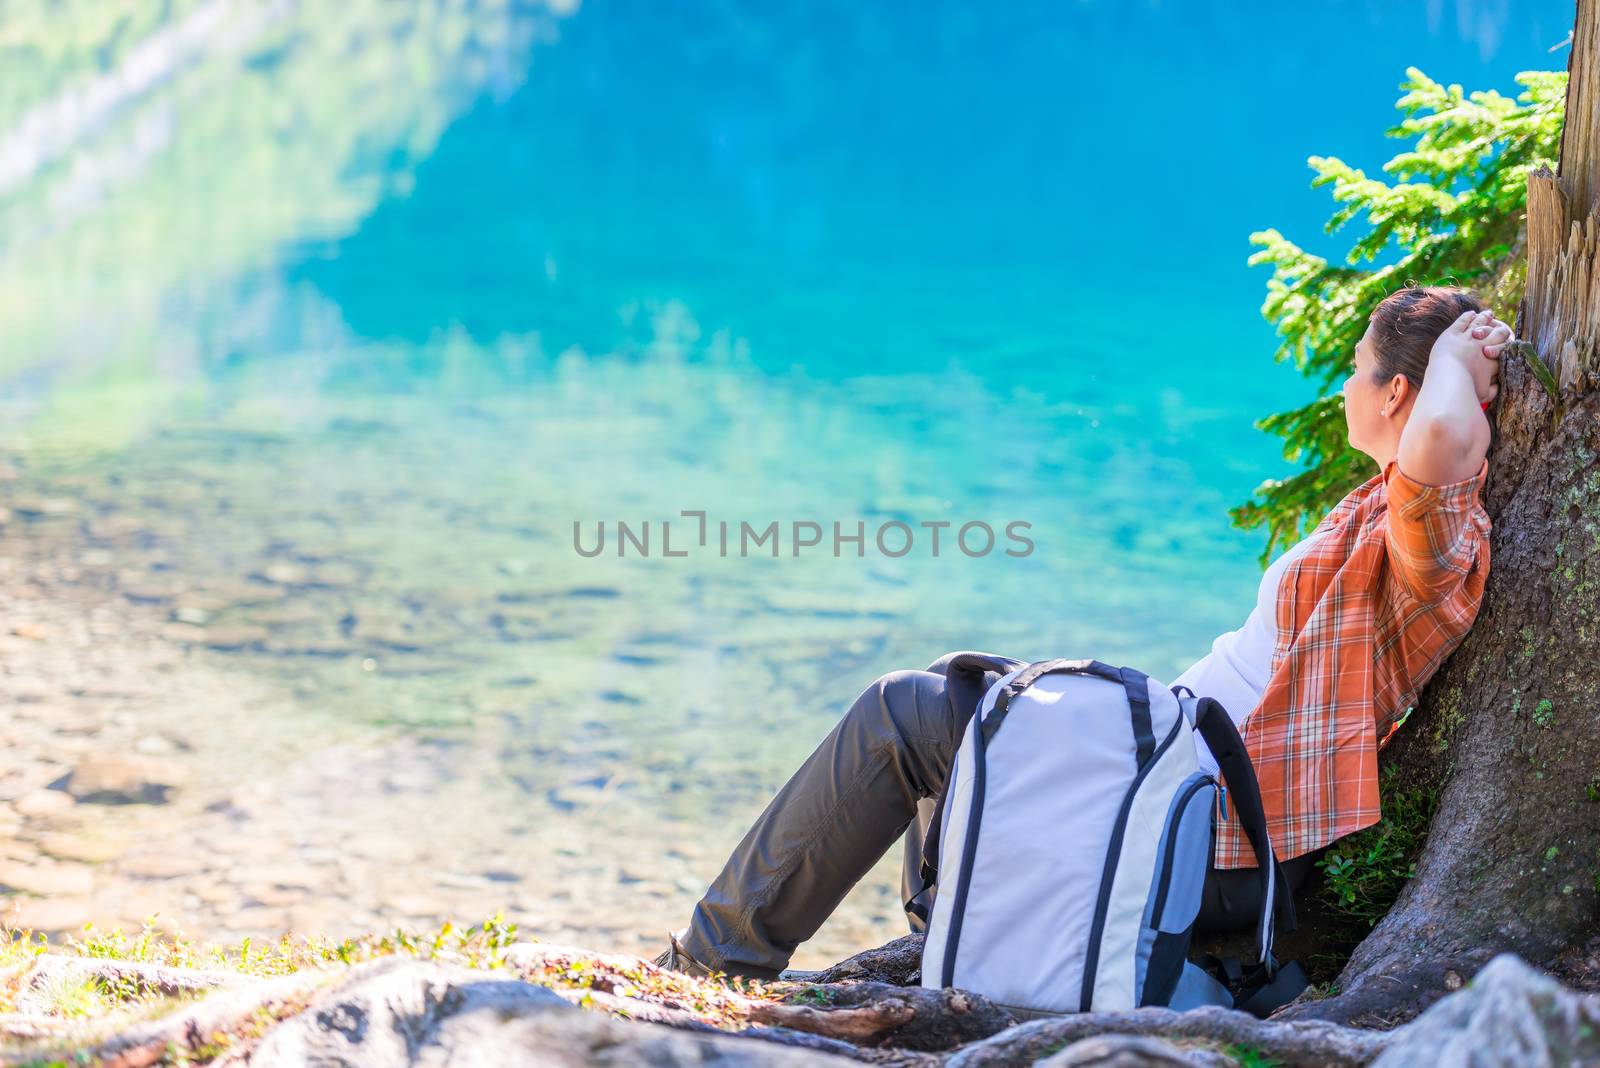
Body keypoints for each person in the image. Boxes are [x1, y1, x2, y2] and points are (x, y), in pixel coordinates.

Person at [654, 286, 1510, 981]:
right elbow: (1430, 439)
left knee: (903, 716)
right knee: (954, 702)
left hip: (1199, 814)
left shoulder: (1435, 540)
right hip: (1167, 767)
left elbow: (1441, 437)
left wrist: (1447, 363)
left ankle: (715, 961)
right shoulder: (1378, 505)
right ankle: (953, 942)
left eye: (1359, 371)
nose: (1346, 387)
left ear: (1398, 390)